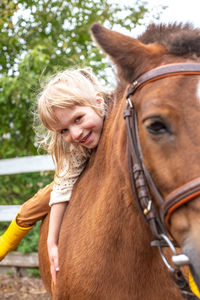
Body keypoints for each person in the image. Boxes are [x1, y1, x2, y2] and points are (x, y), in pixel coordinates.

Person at [0, 67, 111, 284]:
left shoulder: (120, 117)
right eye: (64, 131)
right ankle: (4, 244)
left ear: (98, 102)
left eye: (78, 119)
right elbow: (62, 188)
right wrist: (52, 242)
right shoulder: (75, 148)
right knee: (39, 201)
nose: (75, 134)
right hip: (81, 171)